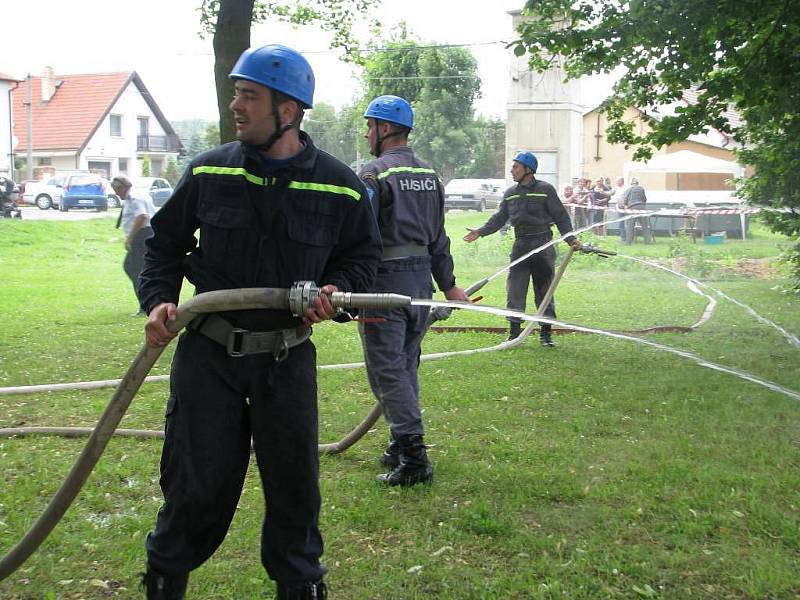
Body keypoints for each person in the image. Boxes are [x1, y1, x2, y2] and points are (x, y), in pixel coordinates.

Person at [137, 44, 382, 600]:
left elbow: (363, 262)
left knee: (295, 490)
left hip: (286, 359)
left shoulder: (341, 186)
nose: (236, 106)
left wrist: (337, 295)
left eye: (249, 95)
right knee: (196, 486)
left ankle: (300, 586)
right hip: (209, 358)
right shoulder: (208, 171)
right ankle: (164, 579)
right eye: (235, 93)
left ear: (289, 110)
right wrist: (158, 300)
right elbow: (165, 247)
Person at [358, 95, 468, 487]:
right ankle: (396, 441)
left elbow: (360, 237)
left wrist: (349, 284)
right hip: (421, 282)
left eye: (370, 125)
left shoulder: (374, 175)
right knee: (404, 365)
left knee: (387, 371)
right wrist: (449, 285)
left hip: (385, 283)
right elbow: (439, 237)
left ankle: (414, 456)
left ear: (385, 129)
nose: (368, 133)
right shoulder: (430, 176)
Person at [464, 152, 581, 347]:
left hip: (543, 244)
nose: (512, 170)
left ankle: (545, 334)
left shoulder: (546, 190)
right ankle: (514, 333)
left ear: (528, 170)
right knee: (515, 289)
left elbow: (560, 216)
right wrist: (480, 232)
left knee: (544, 289)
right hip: (520, 245)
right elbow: (500, 218)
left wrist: (571, 239)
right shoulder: (511, 193)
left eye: (516, 167)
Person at [112, 175, 155, 314]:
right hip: (145, 235)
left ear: (121, 187)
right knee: (136, 269)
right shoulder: (138, 193)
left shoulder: (134, 197)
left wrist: (129, 238)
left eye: (116, 190)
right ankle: (148, 301)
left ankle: (146, 304)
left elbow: (142, 216)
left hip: (142, 236)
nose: (115, 194)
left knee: (134, 269)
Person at [618, 177, 653, 244]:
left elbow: (625, 199)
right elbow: (644, 199)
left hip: (632, 208)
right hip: (642, 208)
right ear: (637, 183)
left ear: (631, 183)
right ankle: (647, 241)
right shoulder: (641, 188)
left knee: (630, 226)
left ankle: (628, 242)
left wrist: (625, 205)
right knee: (645, 225)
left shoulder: (629, 189)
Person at [610, 176, 628, 240]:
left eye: (618, 181)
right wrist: (602, 192)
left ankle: (628, 236)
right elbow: (610, 194)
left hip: (627, 207)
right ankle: (623, 237)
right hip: (619, 207)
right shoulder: (616, 188)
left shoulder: (626, 188)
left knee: (628, 221)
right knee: (621, 221)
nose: (616, 182)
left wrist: (626, 205)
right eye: (616, 181)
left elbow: (628, 197)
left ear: (622, 181)